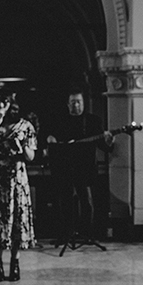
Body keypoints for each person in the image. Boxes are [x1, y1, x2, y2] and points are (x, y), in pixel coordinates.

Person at [0, 89, 37, 281]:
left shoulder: (25, 126)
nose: (0, 106)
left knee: (16, 219)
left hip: (16, 178)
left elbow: (31, 156)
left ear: (11, 104)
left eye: (4, 103)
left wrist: (21, 147)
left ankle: (15, 263)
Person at [46, 88, 114, 242]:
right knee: (66, 202)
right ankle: (67, 234)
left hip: (86, 168)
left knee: (87, 202)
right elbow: (51, 138)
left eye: (79, 102)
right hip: (65, 168)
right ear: (68, 104)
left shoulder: (93, 121)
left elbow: (104, 147)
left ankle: (87, 234)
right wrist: (51, 139)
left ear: (83, 103)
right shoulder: (60, 120)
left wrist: (109, 140)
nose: (76, 105)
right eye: (73, 102)